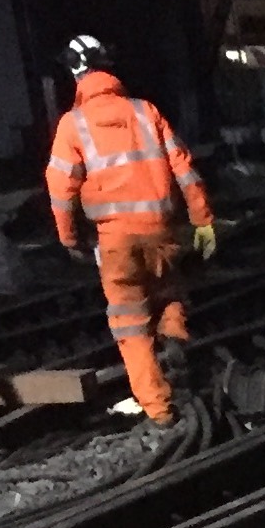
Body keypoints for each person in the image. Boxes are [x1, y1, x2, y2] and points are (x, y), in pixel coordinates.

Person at [44, 37, 217, 426]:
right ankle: (175, 340)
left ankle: (160, 409)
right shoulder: (145, 111)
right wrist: (203, 219)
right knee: (169, 295)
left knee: (130, 323)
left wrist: (69, 239)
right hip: (161, 231)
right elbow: (184, 167)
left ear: (74, 71)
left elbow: (60, 188)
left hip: (115, 241)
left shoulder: (73, 125)